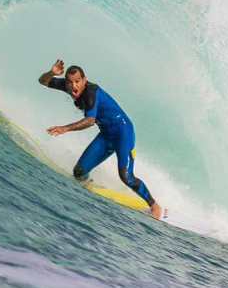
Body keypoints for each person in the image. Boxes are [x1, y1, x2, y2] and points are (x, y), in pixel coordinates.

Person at [38, 59, 164, 219]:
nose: (74, 86)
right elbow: (43, 81)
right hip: (106, 135)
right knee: (79, 172)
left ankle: (154, 206)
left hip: (123, 133)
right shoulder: (68, 86)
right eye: (70, 83)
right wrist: (51, 73)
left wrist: (66, 128)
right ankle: (87, 185)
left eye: (78, 81)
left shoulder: (91, 92)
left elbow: (90, 121)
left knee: (126, 176)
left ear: (84, 80)